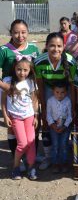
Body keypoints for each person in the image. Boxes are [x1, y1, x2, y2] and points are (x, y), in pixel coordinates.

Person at [0, 19, 39, 171]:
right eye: (16, 32)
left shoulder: (34, 48)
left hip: (28, 92)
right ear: (11, 33)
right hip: (9, 92)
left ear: (28, 32)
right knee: (12, 128)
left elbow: (36, 72)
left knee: (32, 126)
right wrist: (6, 87)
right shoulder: (4, 50)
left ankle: (31, 159)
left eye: (23, 32)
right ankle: (17, 158)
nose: (20, 35)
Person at [34, 32, 77, 171]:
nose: (56, 49)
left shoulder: (70, 62)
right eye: (52, 46)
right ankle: (49, 156)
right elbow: (40, 84)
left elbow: (72, 86)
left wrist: (74, 107)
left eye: (59, 46)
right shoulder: (39, 62)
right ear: (46, 46)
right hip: (48, 88)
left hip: (66, 88)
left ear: (64, 47)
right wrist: (43, 105)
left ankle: (65, 152)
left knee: (68, 117)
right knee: (47, 120)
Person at [1, 57, 38, 180]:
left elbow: (34, 100)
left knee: (31, 142)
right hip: (16, 117)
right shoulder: (8, 81)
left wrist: (36, 115)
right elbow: (3, 101)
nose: (22, 73)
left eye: (25, 70)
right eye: (19, 69)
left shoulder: (31, 82)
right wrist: (5, 116)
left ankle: (31, 166)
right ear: (14, 69)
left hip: (29, 115)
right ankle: (16, 166)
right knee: (22, 143)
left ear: (30, 70)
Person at [46, 81, 72, 173]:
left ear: (66, 92)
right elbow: (48, 114)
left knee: (64, 144)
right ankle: (55, 163)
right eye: (57, 92)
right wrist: (53, 125)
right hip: (54, 127)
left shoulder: (68, 101)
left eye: (62, 92)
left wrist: (64, 126)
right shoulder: (50, 101)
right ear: (53, 91)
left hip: (65, 127)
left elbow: (70, 116)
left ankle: (64, 163)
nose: (60, 95)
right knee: (56, 144)